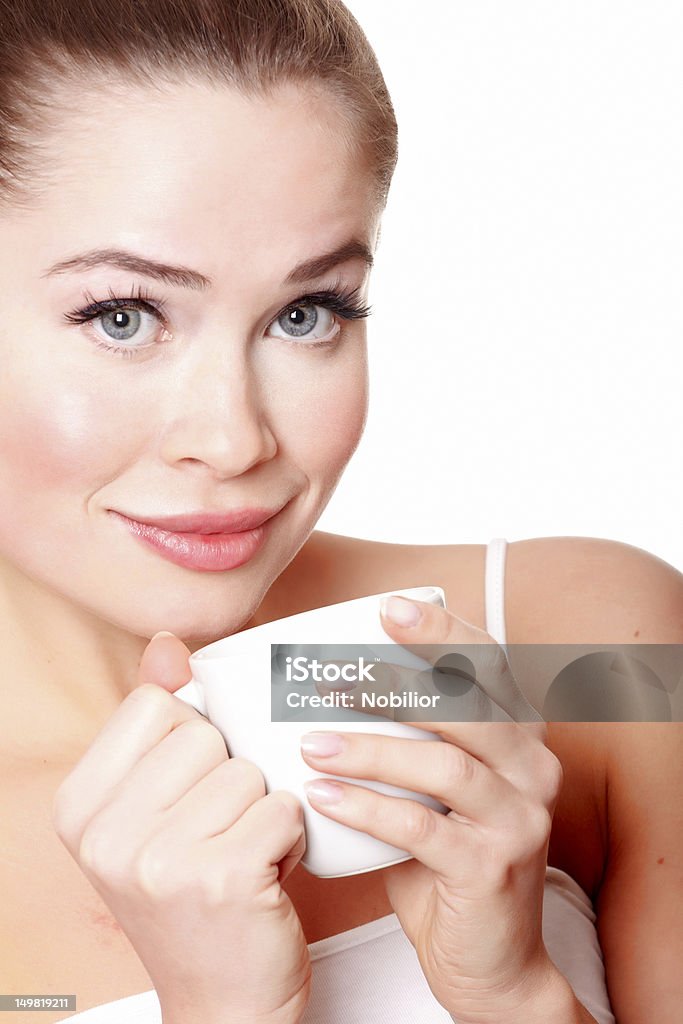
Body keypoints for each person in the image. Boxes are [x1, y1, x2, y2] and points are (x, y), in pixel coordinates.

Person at [0, 2, 680, 1023]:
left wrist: (510, 990)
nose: (234, 441)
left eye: (305, 312)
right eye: (123, 316)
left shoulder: (593, 651)